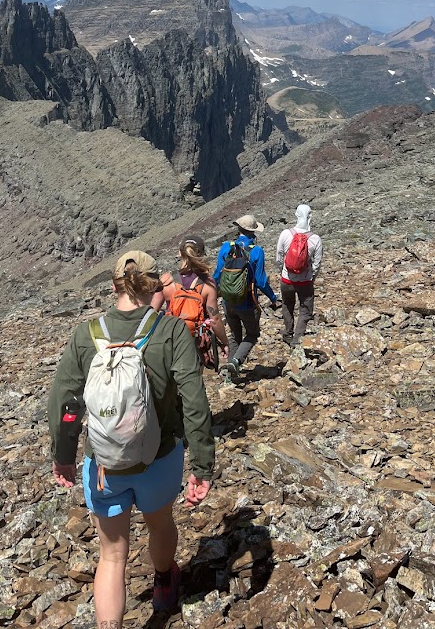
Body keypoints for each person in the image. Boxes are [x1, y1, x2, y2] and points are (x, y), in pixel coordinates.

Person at [48, 250, 214, 624]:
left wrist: (64, 455)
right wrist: (202, 464)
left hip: (103, 465)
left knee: (111, 555)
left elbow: (64, 402)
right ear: (155, 287)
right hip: (160, 458)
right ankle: (164, 579)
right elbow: (194, 400)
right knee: (160, 523)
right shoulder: (172, 331)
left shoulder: (86, 335)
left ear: (114, 287)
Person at [213, 214, 279, 378]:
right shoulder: (256, 251)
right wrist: (273, 298)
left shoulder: (226, 247)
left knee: (235, 335)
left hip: (228, 301)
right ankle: (236, 361)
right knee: (252, 333)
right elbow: (261, 281)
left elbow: (217, 275)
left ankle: (229, 376)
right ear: (253, 232)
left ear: (239, 229)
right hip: (247, 302)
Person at [156, 234, 230, 362]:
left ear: (179, 253)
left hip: (169, 340)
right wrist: (224, 342)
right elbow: (215, 319)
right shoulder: (208, 284)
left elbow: (150, 311)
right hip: (195, 342)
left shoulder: (166, 281)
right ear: (201, 255)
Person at [276, 204, 323, 347]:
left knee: (287, 305)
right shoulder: (315, 239)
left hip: (287, 279)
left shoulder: (285, 234)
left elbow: (279, 257)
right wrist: (312, 277)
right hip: (305, 281)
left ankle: (288, 333)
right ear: (310, 217)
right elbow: (317, 264)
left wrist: (283, 271)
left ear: (296, 215)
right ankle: (298, 338)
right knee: (305, 309)